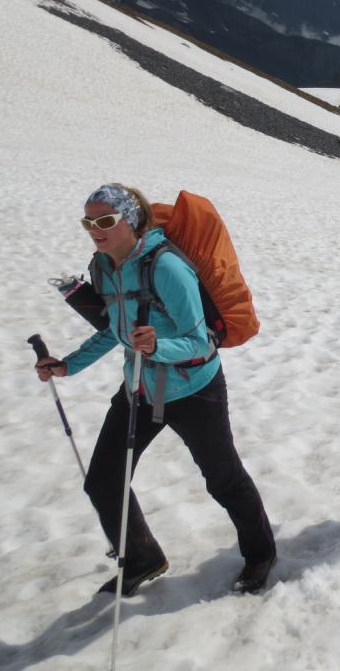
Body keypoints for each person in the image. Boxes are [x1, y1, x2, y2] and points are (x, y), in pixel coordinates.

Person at [35, 183, 276, 596]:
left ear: (129, 220)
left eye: (105, 220)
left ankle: (261, 553)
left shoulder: (166, 267)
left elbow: (201, 342)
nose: (96, 229)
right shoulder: (104, 267)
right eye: (89, 222)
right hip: (140, 390)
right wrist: (68, 364)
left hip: (195, 390)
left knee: (222, 477)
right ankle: (144, 558)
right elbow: (115, 329)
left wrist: (158, 346)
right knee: (103, 481)